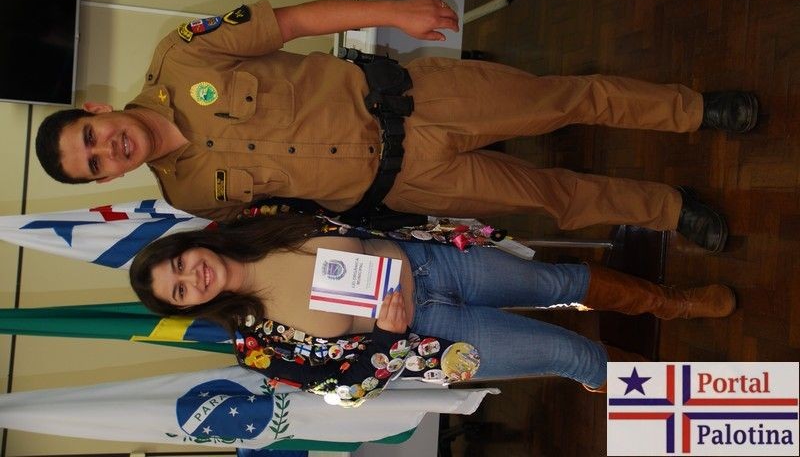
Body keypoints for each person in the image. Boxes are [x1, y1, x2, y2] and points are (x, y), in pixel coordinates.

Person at [37, 0, 758, 253]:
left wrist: (394, 12)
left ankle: (697, 111)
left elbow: (292, 22)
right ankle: (672, 211)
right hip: (408, 182)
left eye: (91, 137)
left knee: (564, 99)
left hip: (415, 101)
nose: (108, 150)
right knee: (552, 199)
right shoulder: (190, 197)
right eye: (95, 164)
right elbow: (289, 220)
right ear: (105, 179)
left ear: (97, 111)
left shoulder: (182, 53)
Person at [129, 214, 736, 405]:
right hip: (431, 337)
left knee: (561, 279)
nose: (192, 277)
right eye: (180, 290)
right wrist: (386, 338)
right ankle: (694, 399)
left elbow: (350, 204)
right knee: (569, 355)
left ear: (189, 245)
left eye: (180, 264)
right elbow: (342, 389)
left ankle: (673, 304)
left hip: (433, 262)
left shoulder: (259, 219)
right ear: (190, 306)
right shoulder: (257, 349)